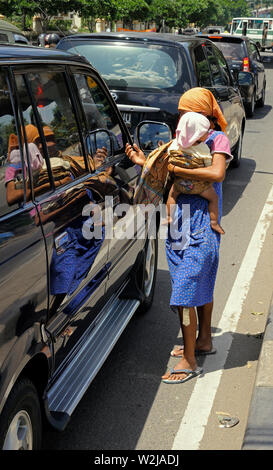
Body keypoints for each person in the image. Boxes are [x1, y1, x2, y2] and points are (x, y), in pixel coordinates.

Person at [125, 87, 232, 384]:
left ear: (201, 112)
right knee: (196, 286)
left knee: (186, 294)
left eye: (187, 112)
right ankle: (203, 340)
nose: (182, 116)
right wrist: (143, 161)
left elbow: (217, 174)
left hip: (201, 227)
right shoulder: (183, 136)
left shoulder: (215, 138)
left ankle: (189, 358)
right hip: (179, 227)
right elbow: (166, 170)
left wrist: (180, 170)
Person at [165, 112, 225, 235]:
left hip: (179, 185)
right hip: (199, 187)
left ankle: (169, 217)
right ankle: (214, 223)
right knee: (214, 198)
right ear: (198, 134)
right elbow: (209, 166)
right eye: (205, 131)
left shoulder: (174, 145)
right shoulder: (203, 149)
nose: (208, 133)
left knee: (171, 196)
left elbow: (168, 157)